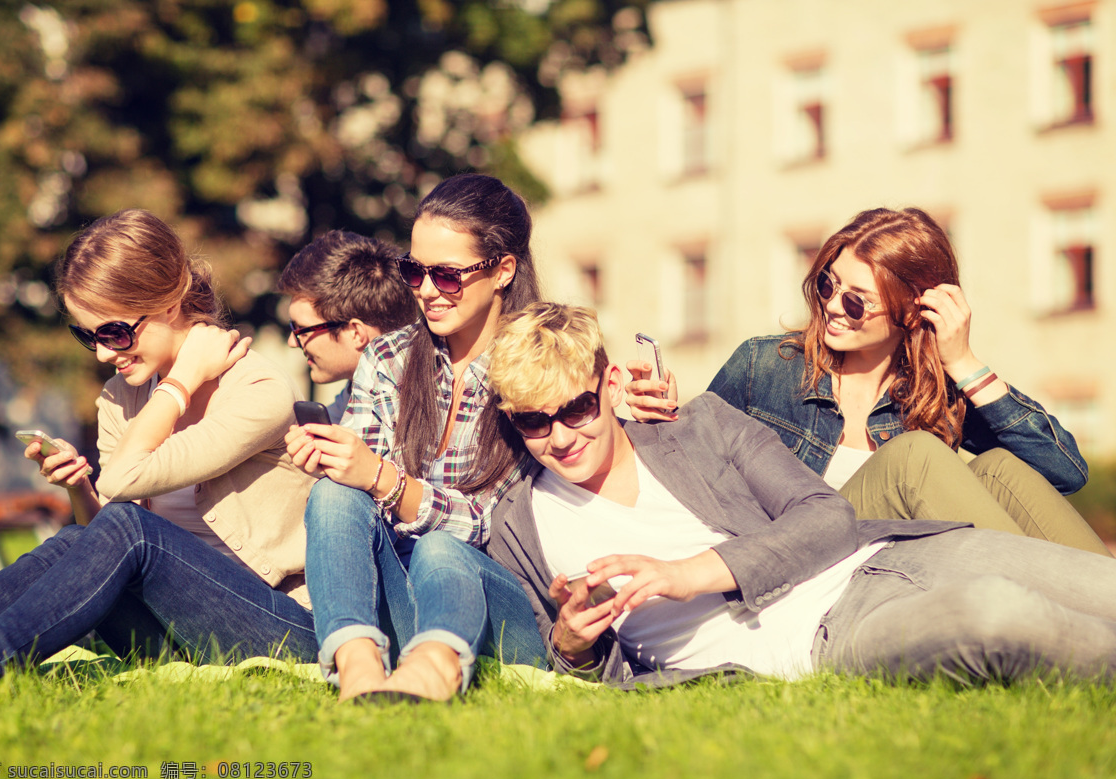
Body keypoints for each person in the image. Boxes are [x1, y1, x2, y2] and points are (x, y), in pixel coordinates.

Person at [487, 302, 1116, 688]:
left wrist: (688, 575)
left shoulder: (700, 424)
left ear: (611, 381)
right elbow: (581, 670)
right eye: (533, 422)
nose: (561, 437)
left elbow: (829, 515)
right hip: (828, 635)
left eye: (576, 409)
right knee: (1000, 616)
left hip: (886, 560)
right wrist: (574, 645)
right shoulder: (522, 526)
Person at [0, 209, 319, 694]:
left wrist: (182, 380)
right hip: (170, 625)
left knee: (130, 529)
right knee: (70, 541)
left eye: (114, 332)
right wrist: (79, 489)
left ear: (170, 303)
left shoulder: (257, 389)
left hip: (281, 626)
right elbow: (104, 542)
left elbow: (127, 490)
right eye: (88, 336)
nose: (105, 353)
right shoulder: (121, 396)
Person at [627, 207, 1110, 556]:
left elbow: (1065, 473)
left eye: (857, 300)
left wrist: (964, 363)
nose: (834, 305)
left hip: (898, 571)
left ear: (913, 309)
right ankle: (1049, 603)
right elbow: (691, 480)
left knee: (998, 467)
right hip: (800, 565)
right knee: (915, 456)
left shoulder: (935, 394)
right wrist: (667, 422)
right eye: (827, 283)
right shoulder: (765, 365)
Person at [286, 173, 548, 702]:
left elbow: (492, 527)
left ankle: (436, 673)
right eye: (415, 270)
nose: (426, 290)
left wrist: (383, 480)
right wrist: (339, 463)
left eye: (447, 275)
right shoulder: (389, 358)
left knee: (439, 552)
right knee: (335, 492)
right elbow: (357, 494)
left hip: (494, 602)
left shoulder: (538, 365)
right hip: (402, 597)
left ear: (503, 272)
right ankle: (358, 668)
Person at [277, 230, 419, 424]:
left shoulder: (412, 404)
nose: (292, 341)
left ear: (356, 333)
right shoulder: (359, 386)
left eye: (301, 329)